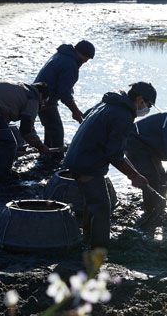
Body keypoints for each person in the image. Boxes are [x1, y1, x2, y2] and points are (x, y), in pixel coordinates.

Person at [62, 82, 157, 248]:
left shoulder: (109, 103)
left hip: (77, 157)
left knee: (92, 202)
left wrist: (134, 173)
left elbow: (114, 151)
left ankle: (87, 240)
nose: (146, 109)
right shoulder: (123, 116)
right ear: (140, 99)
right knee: (101, 207)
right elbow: (114, 154)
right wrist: (133, 175)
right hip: (87, 162)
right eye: (147, 105)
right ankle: (99, 249)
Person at [34, 40, 95, 150]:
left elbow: (64, 86)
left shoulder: (62, 54)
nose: (86, 62)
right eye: (87, 59)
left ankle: (47, 153)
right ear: (82, 54)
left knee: (50, 128)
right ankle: (55, 159)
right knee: (56, 131)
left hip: (38, 94)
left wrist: (75, 109)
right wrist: (75, 111)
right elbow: (64, 93)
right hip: (44, 99)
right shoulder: (70, 64)